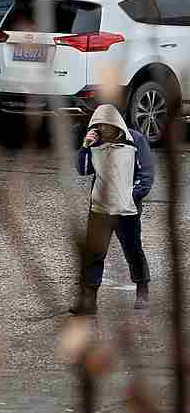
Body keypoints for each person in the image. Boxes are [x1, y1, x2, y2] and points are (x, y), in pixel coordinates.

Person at [71, 104, 155, 315]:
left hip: (127, 210)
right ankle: (89, 300)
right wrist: (85, 146)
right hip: (100, 209)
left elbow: (146, 175)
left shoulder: (135, 140)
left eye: (105, 126)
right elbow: (83, 170)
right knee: (94, 254)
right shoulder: (95, 142)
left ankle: (142, 289)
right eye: (98, 126)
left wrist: (130, 197)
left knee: (133, 251)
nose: (102, 130)